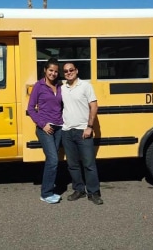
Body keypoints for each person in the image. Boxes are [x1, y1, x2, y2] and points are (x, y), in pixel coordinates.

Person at [61, 62, 103, 205]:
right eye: (66, 71)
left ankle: (93, 192)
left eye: (71, 70)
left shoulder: (85, 86)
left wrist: (89, 127)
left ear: (76, 71)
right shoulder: (62, 88)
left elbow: (94, 106)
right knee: (72, 164)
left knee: (89, 164)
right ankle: (79, 189)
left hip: (83, 131)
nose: (68, 72)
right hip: (67, 131)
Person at [27, 58, 64, 204]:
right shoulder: (39, 86)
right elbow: (31, 109)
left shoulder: (60, 86)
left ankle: (49, 188)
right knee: (54, 160)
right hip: (45, 128)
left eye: (56, 71)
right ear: (45, 70)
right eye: (51, 70)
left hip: (59, 127)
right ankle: (46, 193)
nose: (53, 73)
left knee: (51, 160)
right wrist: (43, 124)